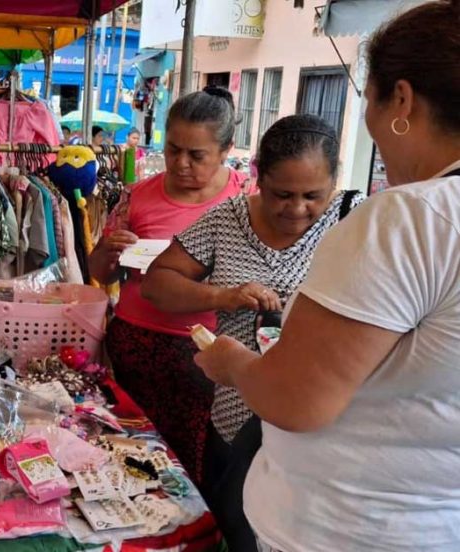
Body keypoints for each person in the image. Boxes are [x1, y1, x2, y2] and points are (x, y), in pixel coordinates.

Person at [193, 2, 460, 550]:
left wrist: (233, 362)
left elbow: (297, 398)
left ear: (402, 99)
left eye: (368, 101)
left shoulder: (412, 217)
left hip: (345, 529)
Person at [142, 113, 363, 549]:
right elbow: (156, 283)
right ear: (258, 175)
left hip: (321, 423)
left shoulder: (354, 221)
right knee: (238, 529)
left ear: (334, 181)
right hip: (237, 415)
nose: (297, 209)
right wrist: (222, 296)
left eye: (312, 196)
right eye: (282, 194)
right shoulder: (226, 221)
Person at [89, 86, 247, 482]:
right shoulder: (137, 196)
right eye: (173, 149)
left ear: (226, 148)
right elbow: (101, 273)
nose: (180, 163)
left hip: (208, 351)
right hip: (137, 344)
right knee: (130, 453)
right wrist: (109, 250)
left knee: (195, 462)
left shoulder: (246, 199)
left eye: (197, 155)